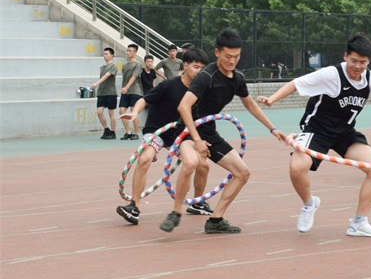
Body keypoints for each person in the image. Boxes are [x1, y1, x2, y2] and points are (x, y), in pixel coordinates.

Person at [258, 33, 371, 237]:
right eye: (353, 61)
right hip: (316, 130)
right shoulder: (330, 74)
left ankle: (358, 223)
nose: (357, 66)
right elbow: (296, 83)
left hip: (345, 132)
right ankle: (309, 203)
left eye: (362, 62)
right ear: (345, 56)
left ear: (368, 61)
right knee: (297, 168)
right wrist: (272, 99)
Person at [160, 30, 289, 234]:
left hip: (209, 132)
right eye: (228, 56)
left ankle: (216, 220)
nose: (232, 61)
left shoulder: (237, 78)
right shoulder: (206, 76)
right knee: (191, 163)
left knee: (243, 173)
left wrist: (273, 128)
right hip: (187, 131)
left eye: (236, 56)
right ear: (217, 52)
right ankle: (175, 213)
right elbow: (184, 107)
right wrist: (197, 140)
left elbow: (250, 104)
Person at [116, 50, 213, 224]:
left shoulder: (202, 91)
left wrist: (200, 139)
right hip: (157, 131)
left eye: (203, 69)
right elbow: (144, 100)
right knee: (144, 159)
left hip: (180, 134)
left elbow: (201, 117)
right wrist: (135, 112)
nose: (199, 72)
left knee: (203, 165)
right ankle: (134, 206)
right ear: (185, 65)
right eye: (196, 67)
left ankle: (197, 203)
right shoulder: (169, 85)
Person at [91, 46, 118, 140]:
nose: (104, 56)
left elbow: (107, 75)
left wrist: (96, 83)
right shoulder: (102, 67)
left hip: (111, 93)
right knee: (99, 112)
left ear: (111, 56)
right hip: (101, 93)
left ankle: (113, 132)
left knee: (111, 113)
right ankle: (106, 129)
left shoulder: (113, 66)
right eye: (104, 54)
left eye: (106, 54)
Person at [118, 44, 143, 140]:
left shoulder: (138, 64)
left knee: (133, 111)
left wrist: (127, 87)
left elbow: (134, 77)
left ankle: (136, 133)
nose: (128, 53)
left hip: (135, 91)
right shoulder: (124, 65)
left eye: (130, 51)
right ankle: (128, 131)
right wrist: (124, 88)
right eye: (127, 51)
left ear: (135, 52)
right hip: (125, 92)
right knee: (121, 111)